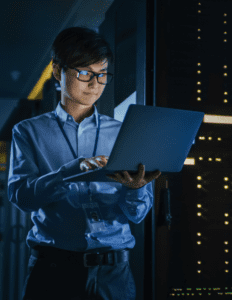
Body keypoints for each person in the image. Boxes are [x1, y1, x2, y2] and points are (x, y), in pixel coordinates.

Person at [7, 26, 161, 300]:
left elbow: (137, 215)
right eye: (85, 73)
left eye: (102, 75)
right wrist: (69, 172)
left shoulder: (124, 133)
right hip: (53, 270)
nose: (94, 84)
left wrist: (136, 188)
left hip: (114, 273)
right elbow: (22, 198)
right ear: (58, 71)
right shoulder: (28, 132)